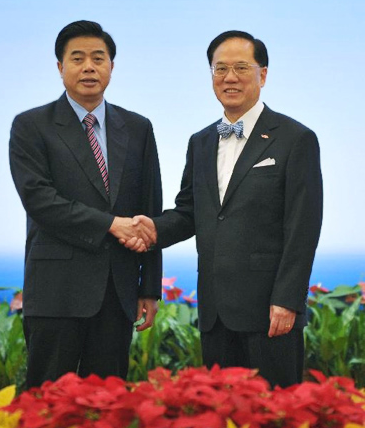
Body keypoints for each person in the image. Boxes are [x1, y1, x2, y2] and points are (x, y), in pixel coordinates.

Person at [124, 30, 323, 388]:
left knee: (276, 419)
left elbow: (303, 227)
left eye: (241, 67)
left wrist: (287, 300)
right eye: (220, 69)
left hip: (271, 312)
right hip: (215, 313)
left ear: (263, 74)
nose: (230, 77)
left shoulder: (296, 139)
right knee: (221, 418)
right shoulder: (201, 142)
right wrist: (152, 229)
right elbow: (189, 212)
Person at [9, 20, 162, 388]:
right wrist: (111, 224)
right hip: (55, 291)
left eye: (99, 58)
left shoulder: (138, 128)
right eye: (77, 58)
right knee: (48, 402)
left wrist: (149, 288)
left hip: (117, 290)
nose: (89, 67)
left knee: (108, 404)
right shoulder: (32, 126)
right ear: (60, 67)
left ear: (111, 66)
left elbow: (149, 211)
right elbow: (40, 201)